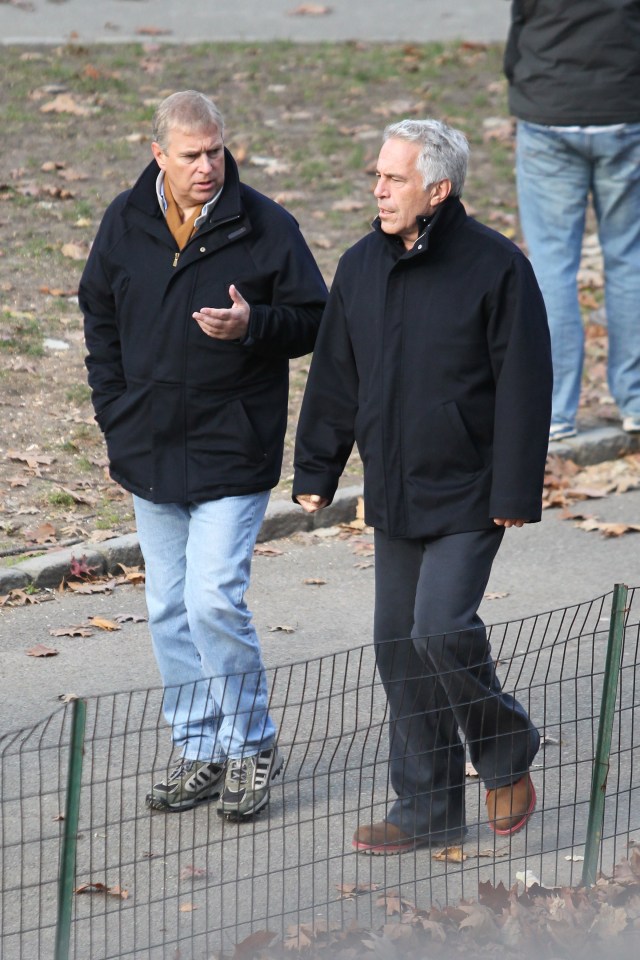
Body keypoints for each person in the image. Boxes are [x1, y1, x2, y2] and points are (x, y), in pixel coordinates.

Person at [293, 119, 552, 854]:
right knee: (397, 648)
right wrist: (318, 467)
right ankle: (429, 806)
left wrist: (514, 490)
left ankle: (505, 751)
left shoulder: (497, 267)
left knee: (439, 628)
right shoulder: (359, 266)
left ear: (437, 189)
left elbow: (525, 386)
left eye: (394, 177)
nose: (378, 188)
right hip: (396, 491)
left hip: (472, 489)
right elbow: (336, 376)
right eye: (377, 174)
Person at [80, 90, 327, 819]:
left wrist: (255, 324)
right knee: (166, 607)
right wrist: (114, 413)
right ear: (159, 153)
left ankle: (250, 745)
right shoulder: (125, 223)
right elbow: (98, 313)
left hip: (233, 447)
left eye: (216, 150)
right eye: (191, 154)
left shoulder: (265, 226)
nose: (208, 167)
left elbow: (315, 317)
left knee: (213, 598)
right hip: (148, 448)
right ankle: (200, 750)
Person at [505, 0, 640, 442]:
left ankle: (554, 411)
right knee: (630, 259)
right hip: (625, 106)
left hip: (549, 106)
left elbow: (521, 23)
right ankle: (635, 401)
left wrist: (522, 82)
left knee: (550, 265)